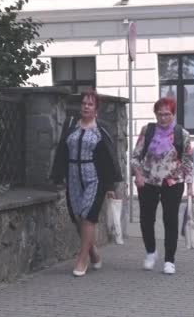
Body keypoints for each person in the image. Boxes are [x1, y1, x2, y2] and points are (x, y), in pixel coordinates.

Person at [50, 90, 123, 277]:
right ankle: (93, 252)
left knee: (88, 215)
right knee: (77, 217)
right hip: (73, 176)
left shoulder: (101, 129)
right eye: (84, 103)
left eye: (90, 104)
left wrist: (109, 187)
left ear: (96, 109)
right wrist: (58, 176)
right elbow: (61, 151)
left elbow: (108, 159)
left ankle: (82, 259)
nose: (86, 107)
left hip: (94, 178)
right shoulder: (72, 125)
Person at [131, 97, 194, 275]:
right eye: (160, 114)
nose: (163, 118)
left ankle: (169, 260)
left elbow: (188, 161)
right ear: (155, 114)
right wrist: (138, 174)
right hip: (148, 181)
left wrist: (190, 185)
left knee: (170, 220)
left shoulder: (182, 134)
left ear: (173, 114)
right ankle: (151, 252)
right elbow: (136, 157)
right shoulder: (147, 131)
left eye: (167, 114)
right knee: (146, 219)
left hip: (172, 182)